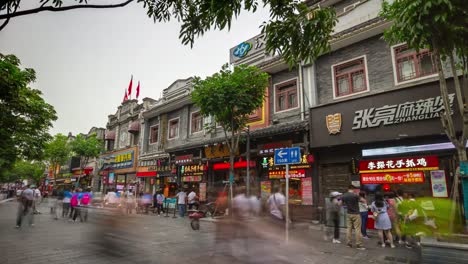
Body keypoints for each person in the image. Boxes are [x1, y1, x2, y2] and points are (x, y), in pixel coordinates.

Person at [341, 185, 365, 250]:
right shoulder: (355, 195)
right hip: (356, 214)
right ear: (352, 189)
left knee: (349, 229)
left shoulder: (344, 195)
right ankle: (358, 244)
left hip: (349, 213)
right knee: (357, 229)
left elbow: (339, 203)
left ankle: (349, 243)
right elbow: (363, 201)